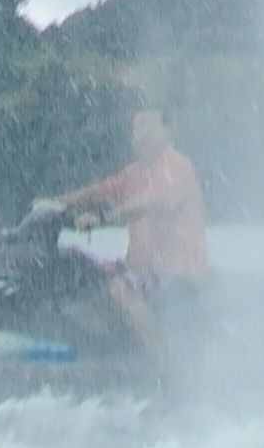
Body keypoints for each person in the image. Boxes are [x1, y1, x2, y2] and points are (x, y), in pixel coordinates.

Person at [34, 103, 210, 345]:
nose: (141, 134)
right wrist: (55, 204)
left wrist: (105, 219)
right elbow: (100, 191)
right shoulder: (135, 173)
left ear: (170, 130)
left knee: (121, 289)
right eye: (137, 127)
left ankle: (163, 363)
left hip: (175, 273)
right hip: (143, 273)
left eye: (148, 126)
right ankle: (106, 348)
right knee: (81, 269)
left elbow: (149, 201)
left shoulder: (177, 167)